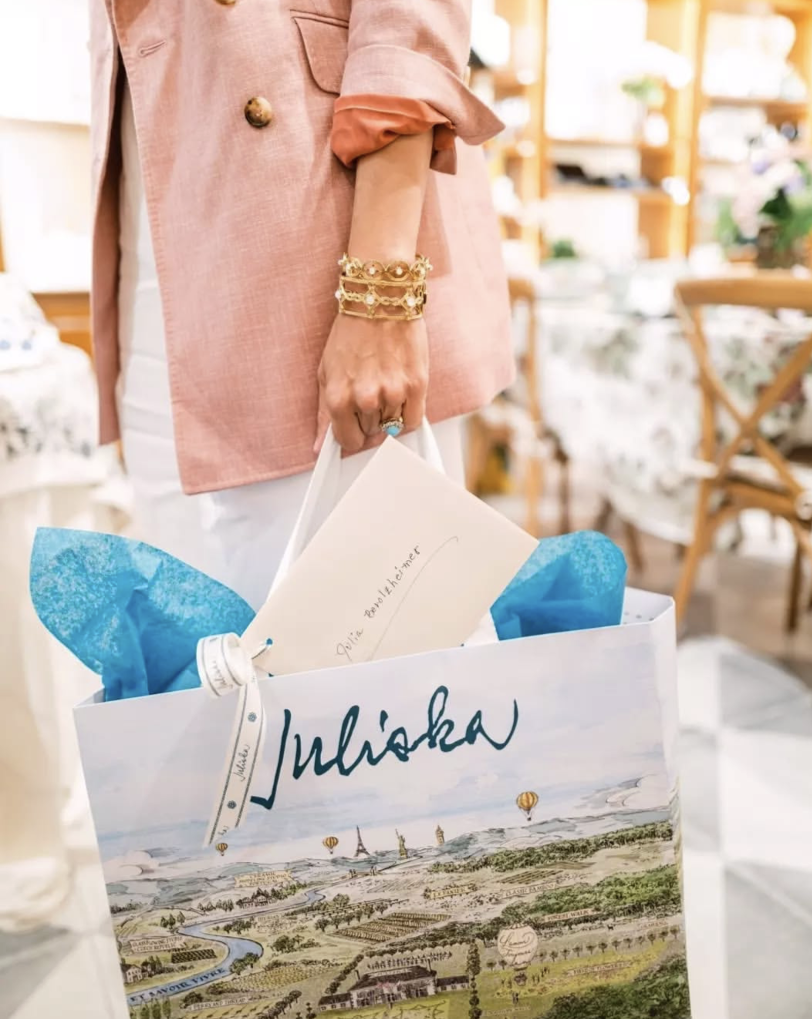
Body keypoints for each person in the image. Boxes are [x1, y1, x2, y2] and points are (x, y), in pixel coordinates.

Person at [88, 0, 514, 607]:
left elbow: (407, 20)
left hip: (318, 228)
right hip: (153, 231)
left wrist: (379, 290)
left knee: (360, 641)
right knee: (198, 641)